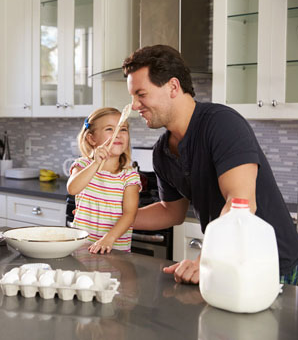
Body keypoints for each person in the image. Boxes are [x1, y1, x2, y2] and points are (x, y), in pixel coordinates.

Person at [122, 44, 298, 285]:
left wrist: (205, 260)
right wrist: (112, 217)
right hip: (225, 267)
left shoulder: (221, 124)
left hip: (270, 266)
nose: (134, 105)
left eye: (141, 94)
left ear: (173, 87)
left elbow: (241, 205)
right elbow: (171, 212)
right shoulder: (162, 151)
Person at [67, 107, 141, 254]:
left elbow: (129, 214)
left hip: (114, 250)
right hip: (82, 247)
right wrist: (96, 163)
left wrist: (109, 238)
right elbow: (72, 188)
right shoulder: (82, 165)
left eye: (123, 129)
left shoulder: (129, 176)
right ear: (91, 138)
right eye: (110, 129)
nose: (118, 135)